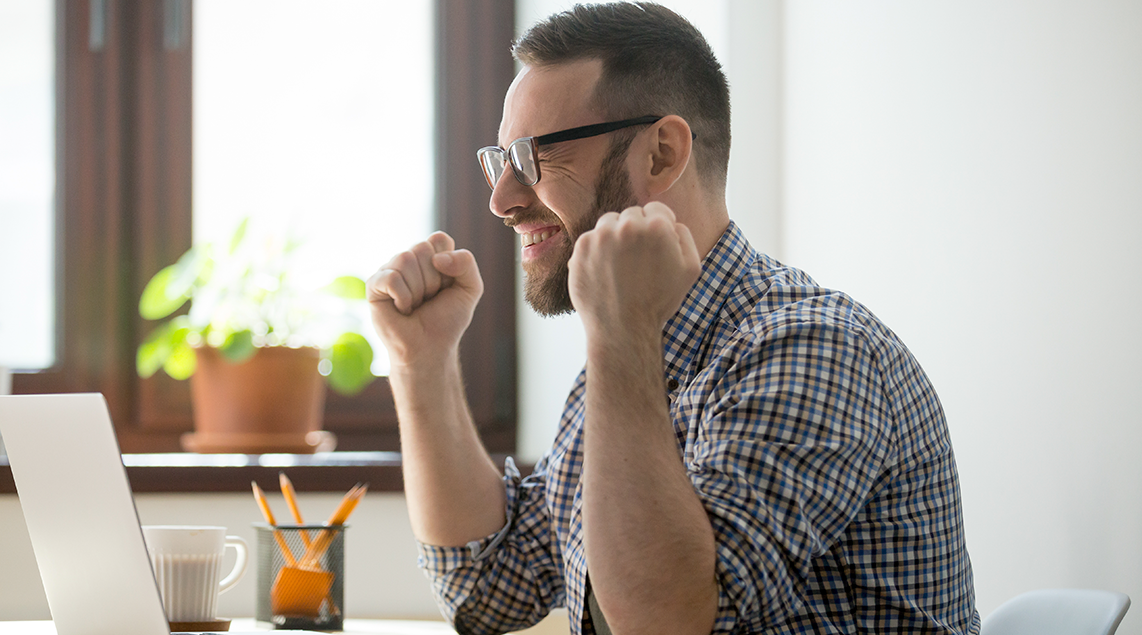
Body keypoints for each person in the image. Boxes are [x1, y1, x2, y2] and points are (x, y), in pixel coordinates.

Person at [366, 3, 979, 634]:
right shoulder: (632, 362)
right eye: (500, 162)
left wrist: (621, 335)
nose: (503, 200)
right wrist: (423, 362)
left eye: (532, 157)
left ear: (661, 153)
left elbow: (663, 624)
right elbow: (488, 586)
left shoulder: (814, 349)